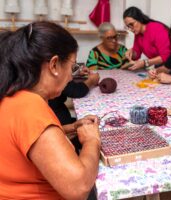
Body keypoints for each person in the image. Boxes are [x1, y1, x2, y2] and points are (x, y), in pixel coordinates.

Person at [0, 22, 100, 199]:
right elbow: (79, 188)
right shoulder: (29, 108)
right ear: (54, 65)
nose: (71, 76)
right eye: (72, 67)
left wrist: (71, 128)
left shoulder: (11, 94)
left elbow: (30, 142)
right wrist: (92, 141)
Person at [123, 6, 171, 70]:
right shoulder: (138, 33)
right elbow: (136, 54)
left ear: (139, 19)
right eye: (128, 27)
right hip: (159, 66)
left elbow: (166, 56)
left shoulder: (156, 28)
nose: (131, 29)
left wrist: (145, 62)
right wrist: (131, 53)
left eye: (132, 24)